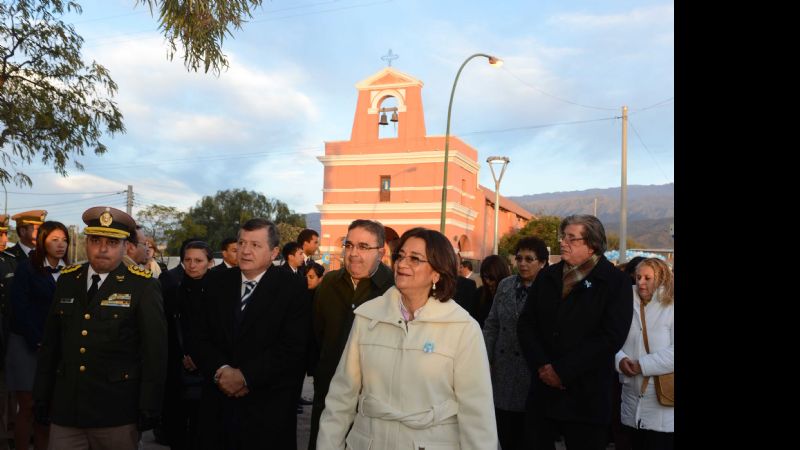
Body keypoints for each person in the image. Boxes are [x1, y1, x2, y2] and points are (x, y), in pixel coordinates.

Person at [317, 227, 497, 449]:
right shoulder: (367, 316)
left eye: (415, 259)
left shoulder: (463, 328)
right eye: (400, 256)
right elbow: (341, 398)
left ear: (436, 273)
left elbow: (477, 413)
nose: (402, 264)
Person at [32, 206, 167, 449]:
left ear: (125, 246)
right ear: (86, 243)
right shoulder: (67, 279)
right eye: (95, 240)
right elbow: (51, 344)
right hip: (67, 410)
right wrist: (42, 394)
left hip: (115, 412)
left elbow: (154, 352)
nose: (102, 249)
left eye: (112, 242)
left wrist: (150, 404)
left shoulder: (143, 285)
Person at [517, 214, 633, 450]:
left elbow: (611, 336)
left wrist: (563, 371)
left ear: (592, 245)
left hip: (586, 397)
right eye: (563, 236)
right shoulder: (547, 276)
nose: (563, 242)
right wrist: (543, 366)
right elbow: (526, 324)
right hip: (543, 392)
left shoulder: (614, 282)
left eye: (572, 238)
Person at [195, 218, 309, 449]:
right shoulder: (215, 281)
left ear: (274, 252)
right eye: (241, 243)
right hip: (218, 405)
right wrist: (222, 372)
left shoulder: (292, 287)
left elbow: (293, 347)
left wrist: (246, 376)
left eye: (255, 245)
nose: (245, 251)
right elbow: (198, 335)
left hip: (267, 409)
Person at [308, 219, 394, 449]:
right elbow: (316, 335)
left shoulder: (394, 290)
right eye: (349, 245)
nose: (354, 253)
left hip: (373, 401)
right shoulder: (328, 284)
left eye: (364, 247)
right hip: (328, 393)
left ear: (381, 252)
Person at [6, 221, 70, 450]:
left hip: (56, 349)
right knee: (29, 407)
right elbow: (19, 309)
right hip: (26, 344)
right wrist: (38, 340)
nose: (60, 244)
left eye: (64, 239)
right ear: (42, 241)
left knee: (47, 409)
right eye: (54, 239)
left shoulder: (72, 272)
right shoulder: (27, 268)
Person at [483, 236, 549, 450]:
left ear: (542, 262)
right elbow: (492, 324)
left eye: (529, 259)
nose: (522, 263)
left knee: (530, 437)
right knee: (505, 433)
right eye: (519, 258)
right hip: (503, 372)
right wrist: (485, 357)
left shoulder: (551, 288)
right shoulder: (505, 285)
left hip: (533, 373)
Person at [616, 258, 674, 450]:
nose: (640, 282)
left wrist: (642, 365)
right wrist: (620, 359)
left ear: (662, 279)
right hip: (630, 402)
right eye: (638, 277)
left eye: (648, 278)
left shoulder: (671, 306)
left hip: (662, 406)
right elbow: (611, 338)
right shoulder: (624, 302)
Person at [162, 240, 214, 450]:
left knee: (204, 434)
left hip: (210, 375)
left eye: (198, 260)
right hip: (176, 372)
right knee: (177, 433)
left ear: (210, 263)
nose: (192, 265)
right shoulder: (172, 291)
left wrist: (200, 357)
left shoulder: (220, 294)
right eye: (188, 260)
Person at [472, 255, 511, 327]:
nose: (487, 281)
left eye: (491, 278)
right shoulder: (479, 293)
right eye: (485, 277)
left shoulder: (512, 294)